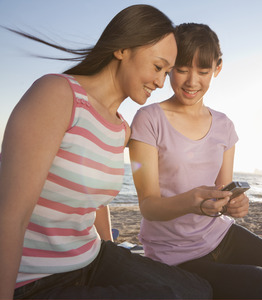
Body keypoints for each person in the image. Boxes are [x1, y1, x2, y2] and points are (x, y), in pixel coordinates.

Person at [0, 5, 213, 299]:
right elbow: (11, 216)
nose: (161, 82)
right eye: (157, 67)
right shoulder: (57, 95)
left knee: (197, 290)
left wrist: (109, 248)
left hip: (91, 258)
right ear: (122, 49)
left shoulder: (121, 128)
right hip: (36, 280)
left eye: (166, 72)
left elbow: (96, 200)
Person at [129, 23, 262, 299]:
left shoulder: (224, 125)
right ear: (169, 67)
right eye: (181, 69)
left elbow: (223, 190)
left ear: (217, 68)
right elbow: (149, 207)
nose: (192, 81)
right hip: (174, 255)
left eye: (203, 71)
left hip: (222, 236)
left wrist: (235, 204)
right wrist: (192, 201)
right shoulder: (149, 119)